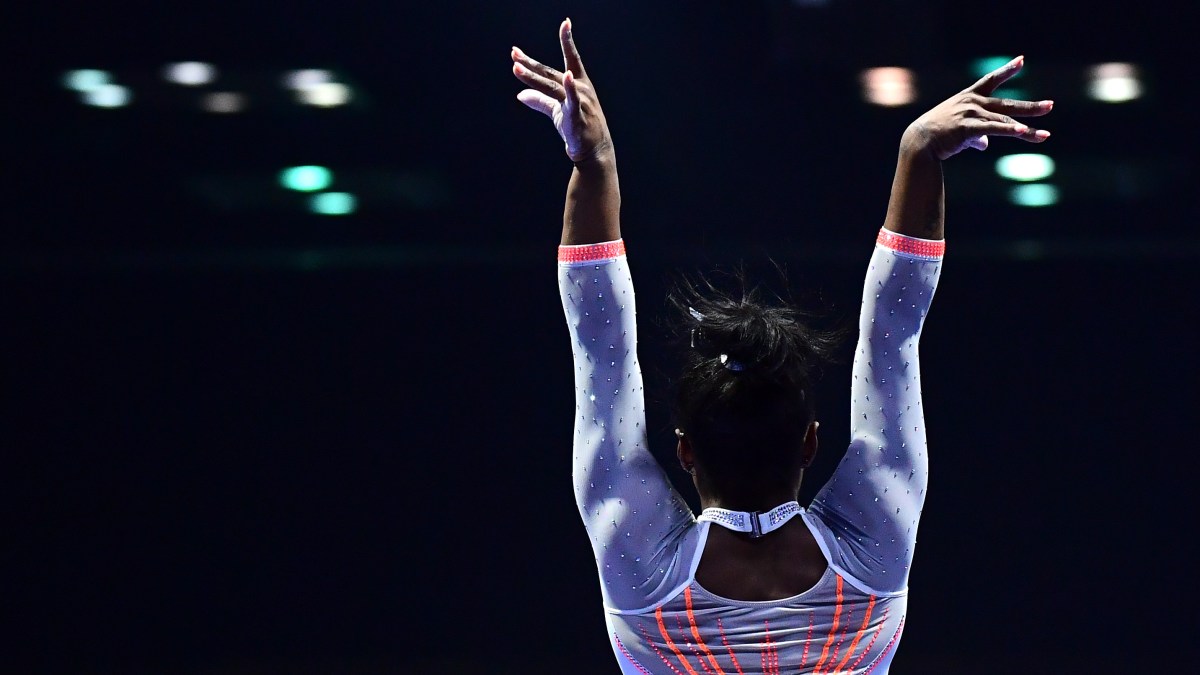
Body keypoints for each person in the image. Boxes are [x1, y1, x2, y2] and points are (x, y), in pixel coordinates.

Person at [512, 18, 1051, 674]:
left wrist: (593, 163)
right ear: (809, 443)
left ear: (685, 450)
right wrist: (919, 152)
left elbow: (600, 347)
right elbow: (894, 337)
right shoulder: (871, 556)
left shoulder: (643, 571)